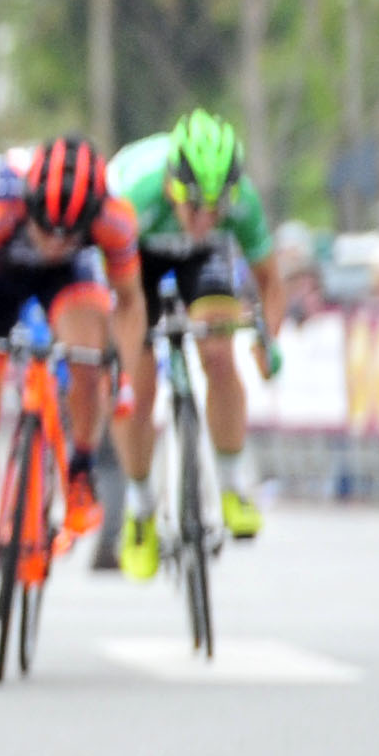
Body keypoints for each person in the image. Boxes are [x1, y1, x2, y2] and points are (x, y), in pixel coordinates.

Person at [0, 136, 145, 626]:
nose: (56, 241)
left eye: (71, 233)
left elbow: (129, 302)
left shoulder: (113, 219)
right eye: (47, 229)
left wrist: (122, 374)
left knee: (89, 357)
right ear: (28, 205)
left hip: (68, 281)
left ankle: (81, 468)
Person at [107, 109, 283, 576]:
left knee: (220, 355)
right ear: (171, 187)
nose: (205, 219)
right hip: (136, 262)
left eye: (216, 209)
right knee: (137, 389)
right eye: (194, 208)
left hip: (201, 265)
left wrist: (268, 341)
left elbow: (270, 281)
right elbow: (111, 291)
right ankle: (139, 509)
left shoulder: (241, 201)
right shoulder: (132, 194)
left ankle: (231, 485)